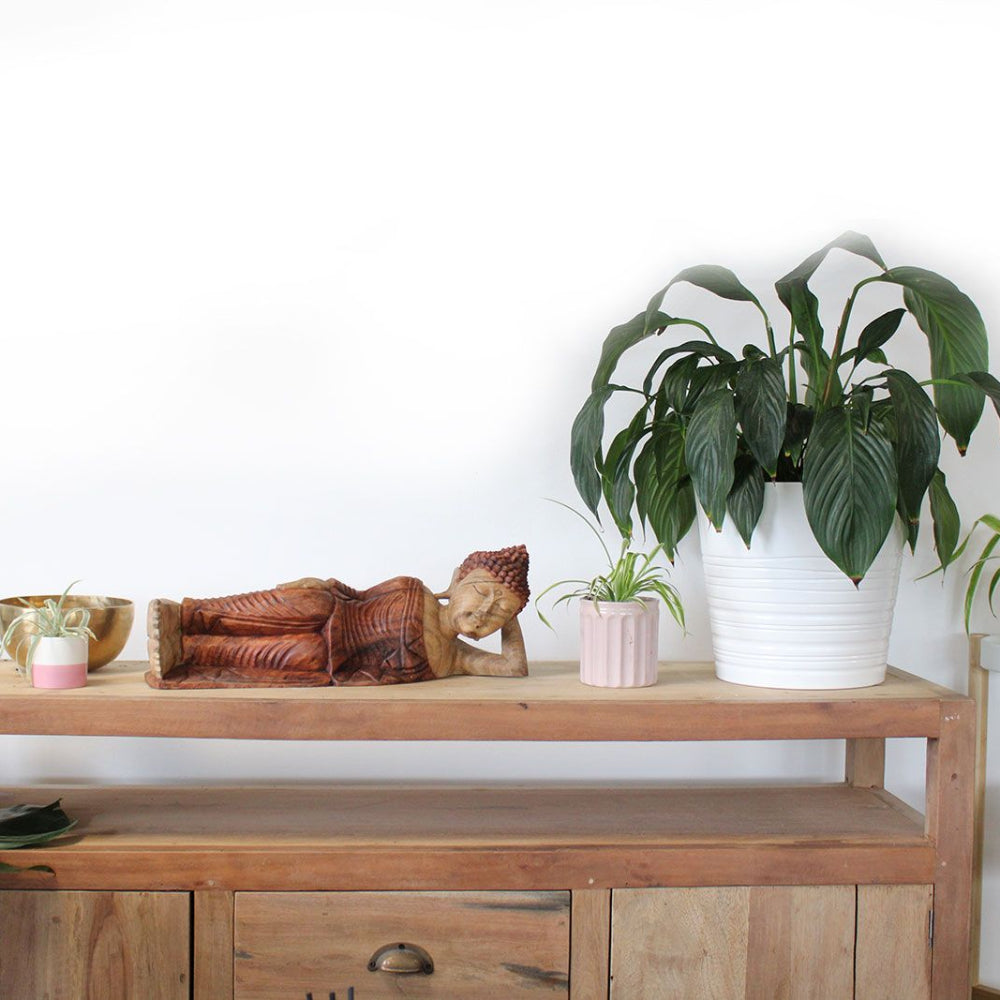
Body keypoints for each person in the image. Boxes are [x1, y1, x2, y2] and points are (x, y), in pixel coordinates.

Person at [146, 545, 529, 688]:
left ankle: (189, 650)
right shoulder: (417, 590)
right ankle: (185, 615)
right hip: (333, 608)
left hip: (332, 660)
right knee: (295, 605)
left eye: (498, 613)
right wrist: (323, 583)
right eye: (481, 593)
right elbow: (360, 595)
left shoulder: (455, 660)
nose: (483, 611)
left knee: (290, 656)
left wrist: (511, 610)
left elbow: (514, 668)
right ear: (459, 579)